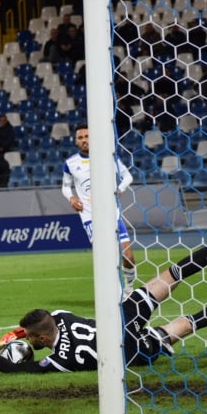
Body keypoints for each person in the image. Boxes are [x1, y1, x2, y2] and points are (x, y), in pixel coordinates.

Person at [0, 211, 207, 373]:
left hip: (129, 352)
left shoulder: (59, 360)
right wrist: (7, 338)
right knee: (172, 275)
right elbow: (36, 325)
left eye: (30, 336)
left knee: (183, 325)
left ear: (41, 338)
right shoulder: (61, 316)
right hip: (121, 319)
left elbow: (13, 371)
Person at [62, 123, 137, 297]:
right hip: (89, 216)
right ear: (76, 141)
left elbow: (128, 176)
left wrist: (120, 188)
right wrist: (71, 198)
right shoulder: (70, 163)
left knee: (128, 257)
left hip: (112, 214)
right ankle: (115, 294)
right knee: (105, 258)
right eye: (80, 138)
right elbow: (65, 187)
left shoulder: (108, 157)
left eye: (87, 136)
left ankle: (129, 286)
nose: (84, 140)